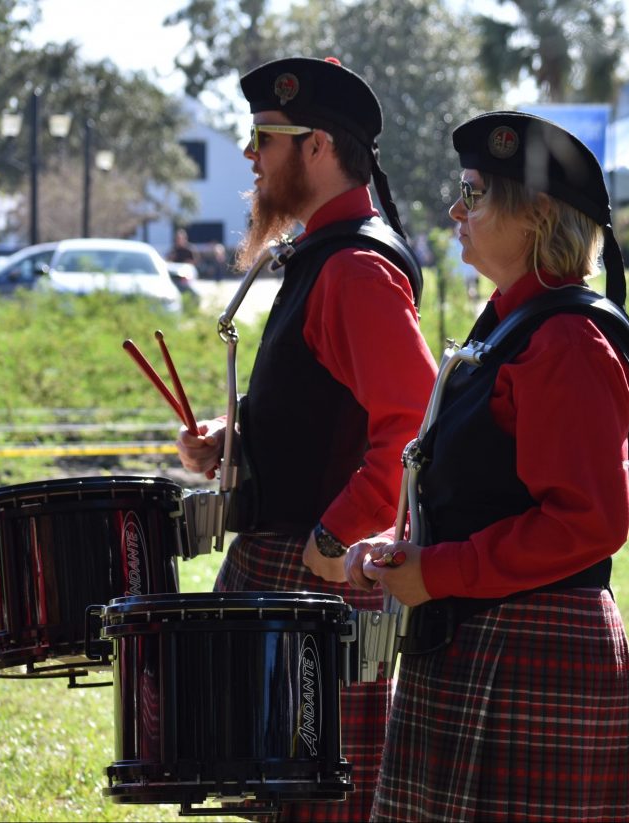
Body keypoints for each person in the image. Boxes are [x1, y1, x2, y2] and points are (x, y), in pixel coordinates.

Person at [346, 111, 629, 822]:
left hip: (533, 655)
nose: (457, 210)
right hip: (483, 642)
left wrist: (440, 571)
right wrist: (407, 553)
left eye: (475, 193)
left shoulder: (569, 338)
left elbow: (589, 522)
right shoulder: (511, 323)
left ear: (537, 214)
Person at [176, 56, 437, 822]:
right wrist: (236, 434)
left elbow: (412, 426)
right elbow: (322, 403)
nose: (251, 156)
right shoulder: (324, 254)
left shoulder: (355, 266)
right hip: (285, 570)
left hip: (312, 578)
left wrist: (335, 530)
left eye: (265, 137)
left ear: (317, 145)